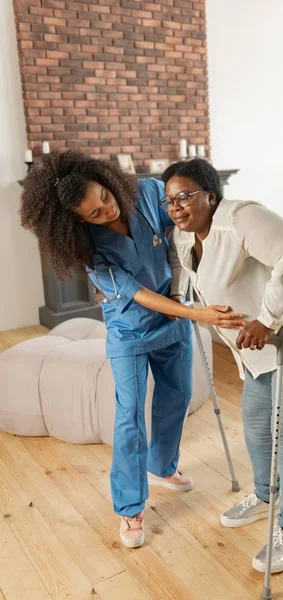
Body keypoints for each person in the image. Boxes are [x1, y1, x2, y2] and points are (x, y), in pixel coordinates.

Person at [20, 150, 244, 549]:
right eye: (94, 214)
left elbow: (176, 245)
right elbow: (136, 293)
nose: (106, 210)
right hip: (131, 330)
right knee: (129, 417)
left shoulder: (150, 192)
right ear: (78, 221)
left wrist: (179, 294)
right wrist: (196, 314)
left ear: (108, 182)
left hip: (172, 314)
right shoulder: (89, 249)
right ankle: (129, 507)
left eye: (104, 197)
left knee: (177, 395)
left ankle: (162, 467)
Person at [162, 159, 283, 573]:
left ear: (211, 195)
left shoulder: (240, 216)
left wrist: (267, 319)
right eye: (169, 200)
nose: (175, 206)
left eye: (184, 196)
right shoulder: (184, 236)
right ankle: (266, 495)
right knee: (255, 425)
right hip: (259, 350)